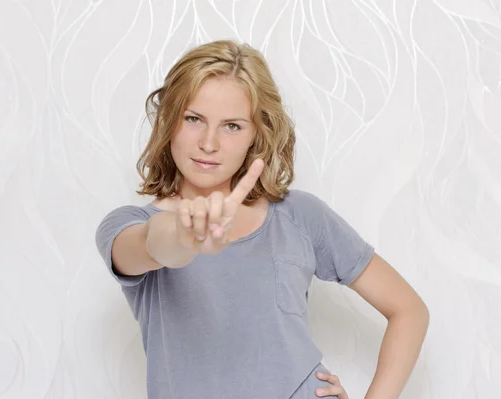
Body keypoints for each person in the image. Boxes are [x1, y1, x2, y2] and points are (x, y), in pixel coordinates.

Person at [95, 40, 429, 399]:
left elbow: (408, 310)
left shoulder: (299, 215)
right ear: (169, 121)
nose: (209, 143)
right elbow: (155, 245)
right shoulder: (126, 226)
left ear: (257, 134)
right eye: (194, 119)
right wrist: (186, 234)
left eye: (232, 126)